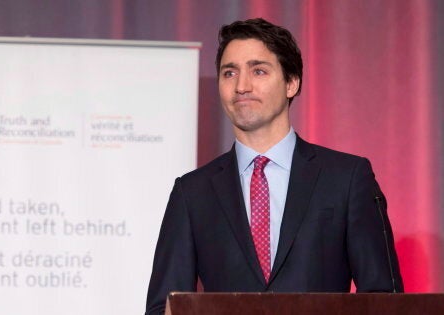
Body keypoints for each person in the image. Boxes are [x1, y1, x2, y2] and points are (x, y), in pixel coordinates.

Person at [145, 18, 403, 315]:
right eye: (230, 73)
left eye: (259, 71)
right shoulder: (192, 192)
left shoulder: (346, 178)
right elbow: (163, 307)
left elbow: (386, 300)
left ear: (291, 83)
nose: (242, 86)